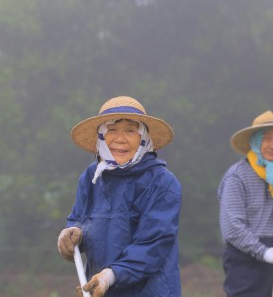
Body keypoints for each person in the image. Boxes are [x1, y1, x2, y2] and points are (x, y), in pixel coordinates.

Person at [57, 96, 182, 297]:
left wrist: (109, 276)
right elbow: (78, 219)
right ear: (100, 136)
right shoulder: (92, 177)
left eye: (130, 131)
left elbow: (153, 245)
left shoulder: (162, 183)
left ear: (144, 137)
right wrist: (73, 232)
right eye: (111, 130)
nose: (120, 139)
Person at [218, 110, 273, 297]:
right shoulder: (237, 176)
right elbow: (232, 228)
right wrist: (264, 253)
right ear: (255, 142)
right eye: (267, 139)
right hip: (244, 261)